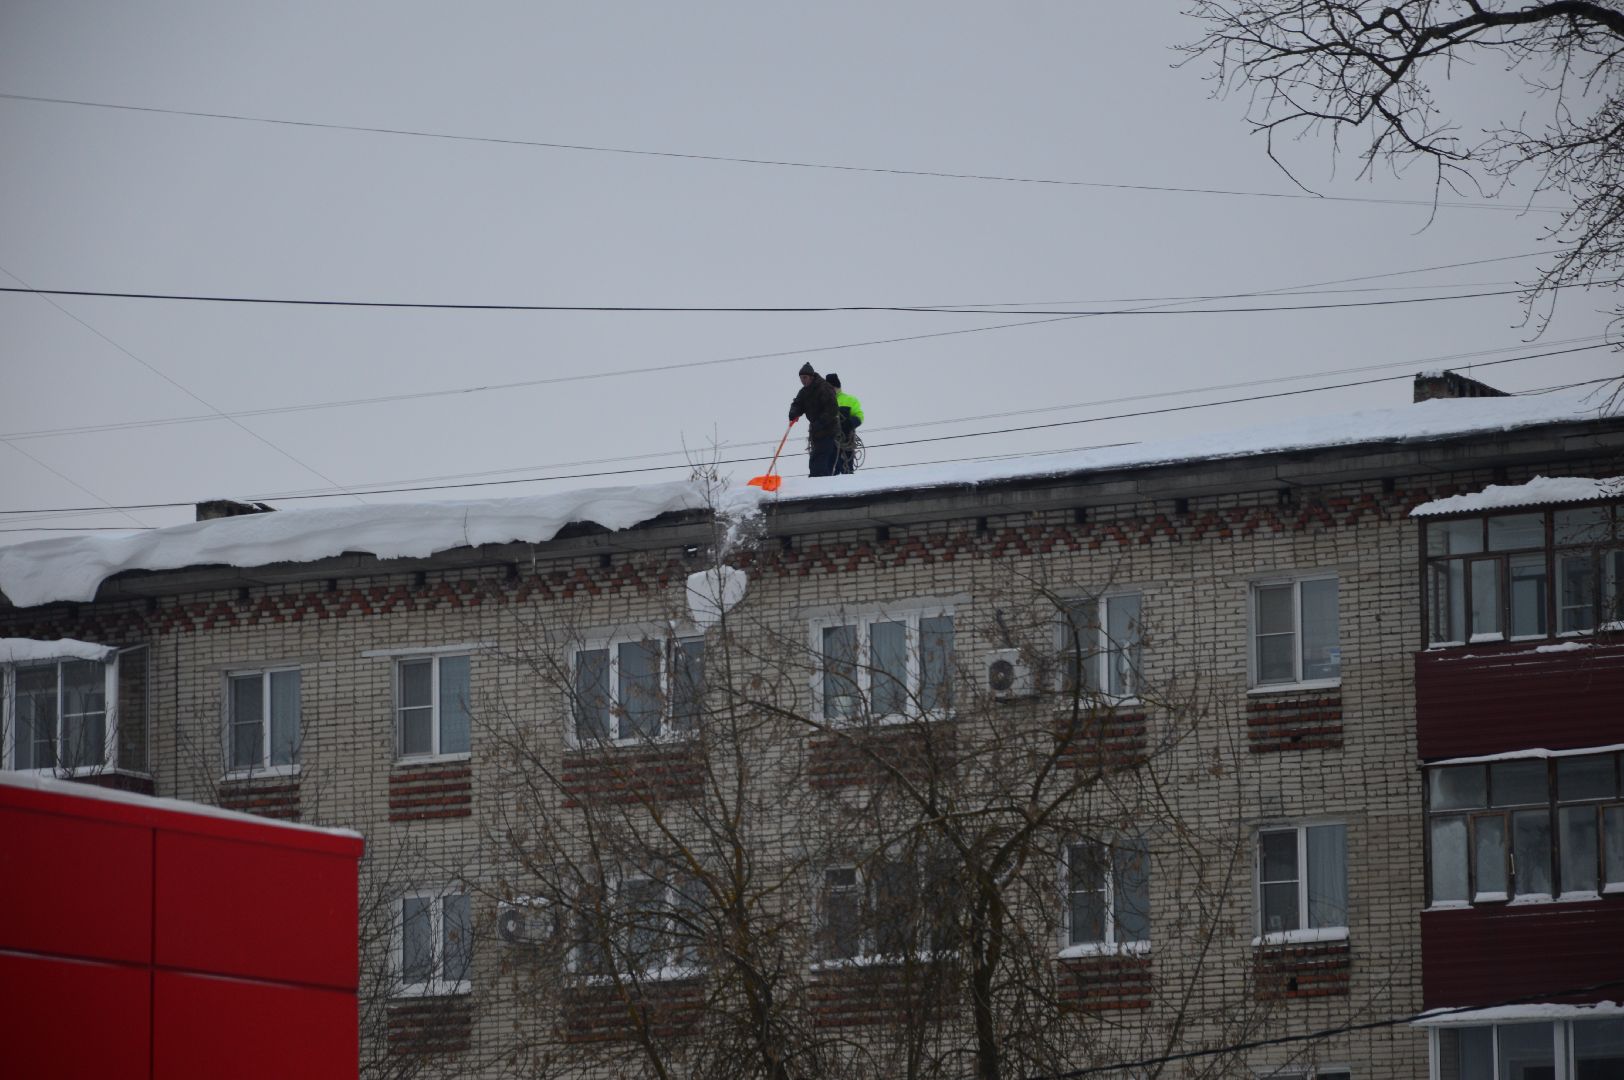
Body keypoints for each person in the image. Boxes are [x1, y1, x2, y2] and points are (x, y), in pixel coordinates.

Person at [787, 362, 840, 477]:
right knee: (814, 460)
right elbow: (797, 404)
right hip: (816, 432)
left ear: (811, 377)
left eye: (805, 377)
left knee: (820, 461)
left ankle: (821, 482)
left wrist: (820, 422)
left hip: (828, 430)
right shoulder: (804, 392)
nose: (803, 380)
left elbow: (832, 409)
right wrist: (794, 413)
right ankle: (816, 481)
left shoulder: (824, 388)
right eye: (801, 378)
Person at [825, 373, 864, 474]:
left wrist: (850, 423)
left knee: (846, 470)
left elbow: (859, 416)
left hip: (845, 441)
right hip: (828, 442)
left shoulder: (850, 400)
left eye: (832, 387)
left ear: (837, 387)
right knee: (830, 472)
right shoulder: (823, 402)